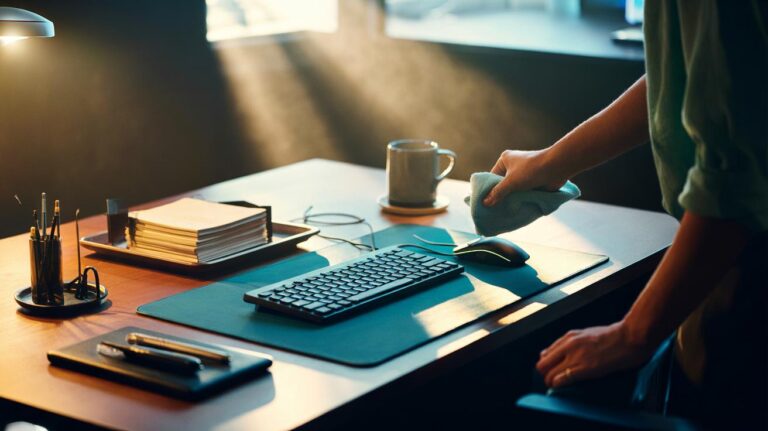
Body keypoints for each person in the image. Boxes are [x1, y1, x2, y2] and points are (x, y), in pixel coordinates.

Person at [483, 2, 767, 427]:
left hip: (747, 278)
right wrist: (550, 162)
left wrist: (633, 333)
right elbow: (681, 74)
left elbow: (733, 185)